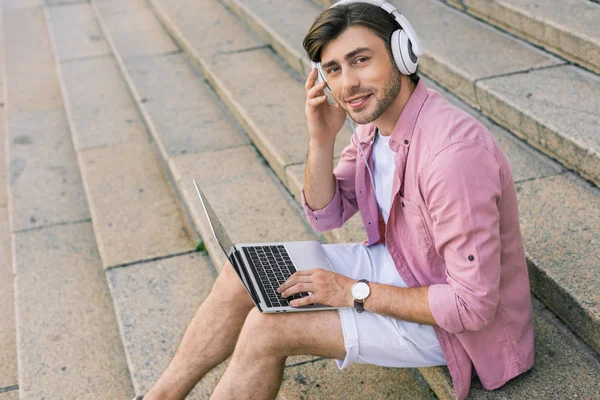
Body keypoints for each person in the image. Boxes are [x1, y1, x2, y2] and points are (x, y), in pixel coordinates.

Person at [139, 1, 534, 399]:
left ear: (403, 54)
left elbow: (471, 306)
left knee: (268, 328)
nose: (347, 84)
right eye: (333, 70)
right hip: (399, 264)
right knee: (242, 271)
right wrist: (321, 139)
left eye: (360, 60)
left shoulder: (453, 157)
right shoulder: (374, 127)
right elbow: (326, 213)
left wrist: (353, 291)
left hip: (458, 330)